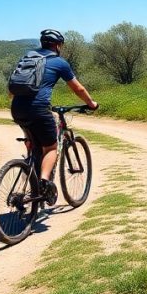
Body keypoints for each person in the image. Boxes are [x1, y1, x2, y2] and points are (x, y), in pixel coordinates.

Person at [9, 29, 98, 205]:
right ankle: (44, 182)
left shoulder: (27, 58)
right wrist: (91, 103)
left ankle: (30, 171)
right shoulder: (59, 62)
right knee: (50, 148)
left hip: (17, 108)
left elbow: (12, 88)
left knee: (33, 142)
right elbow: (78, 89)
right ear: (57, 45)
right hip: (38, 109)